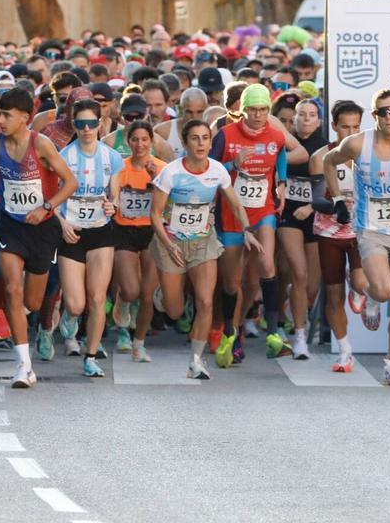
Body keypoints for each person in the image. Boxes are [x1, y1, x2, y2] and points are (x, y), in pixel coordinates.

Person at [0, 88, 78, 389]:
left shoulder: (40, 144)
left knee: (31, 300)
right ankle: (24, 366)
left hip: (42, 230)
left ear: (25, 118)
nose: (0, 120)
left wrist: (45, 207)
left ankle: (31, 322)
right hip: (10, 225)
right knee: (13, 292)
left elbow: (70, 182)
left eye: (6, 115)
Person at [323, 88, 390, 386]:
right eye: (382, 112)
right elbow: (328, 162)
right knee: (384, 291)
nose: (389, 116)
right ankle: (371, 297)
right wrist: (336, 198)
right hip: (370, 227)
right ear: (374, 116)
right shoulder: (358, 143)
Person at [152, 119, 261, 379]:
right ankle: (164, 294)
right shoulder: (171, 172)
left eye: (205, 138)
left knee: (205, 300)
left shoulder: (218, 171)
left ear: (210, 143)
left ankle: (196, 360)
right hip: (171, 242)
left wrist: (247, 230)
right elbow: (155, 215)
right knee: (175, 311)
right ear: (186, 142)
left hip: (203, 242)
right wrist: (168, 244)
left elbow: (236, 205)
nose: (201, 143)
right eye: (195, 138)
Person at [210, 83, 307, 365]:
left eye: (263, 109)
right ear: (242, 110)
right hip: (230, 213)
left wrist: (282, 183)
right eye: (252, 109)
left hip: (262, 209)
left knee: (267, 264)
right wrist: (233, 166)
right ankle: (230, 331)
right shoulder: (226, 135)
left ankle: (274, 335)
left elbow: (281, 154)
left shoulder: (275, 134)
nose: (257, 115)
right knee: (231, 282)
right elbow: (209, 168)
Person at [48, 99, 122, 377]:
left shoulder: (111, 157)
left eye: (92, 124)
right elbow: (51, 198)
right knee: (76, 304)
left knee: (97, 298)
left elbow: (115, 196)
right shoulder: (64, 156)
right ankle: (69, 315)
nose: (87, 129)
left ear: (100, 125)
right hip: (72, 231)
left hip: (101, 231)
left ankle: (91, 356)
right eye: (81, 124)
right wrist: (62, 222)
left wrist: (112, 205)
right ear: (74, 126)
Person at [308, 101, 369, 373]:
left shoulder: (368, 153)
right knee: (333, 297)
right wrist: (336, 205)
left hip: (360, 230)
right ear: (334, 126)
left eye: (356, 127)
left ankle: (366, 294)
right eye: (345, 127)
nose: (351, 132)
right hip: (329, 231)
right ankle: (345, 352)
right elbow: (317, 197)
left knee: (360, 280)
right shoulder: (321, 156)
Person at [111, 121, 166, 362]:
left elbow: (170, 204)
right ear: (128, 141)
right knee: (131, 290)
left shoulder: (162, 169)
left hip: (152, 232)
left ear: (152, 141)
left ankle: (139, 343)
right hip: (124, 231)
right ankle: (123, 302)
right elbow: (112, 196)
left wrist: (156, 180)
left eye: (145, 139)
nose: (140, 144)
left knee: (146, 294)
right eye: (135, 139)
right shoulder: (120, 169)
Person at [276, 98, 326, 359]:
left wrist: (312, 206)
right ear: (293, 120)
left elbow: (331, 191)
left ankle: (291, 304)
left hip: (315, 217)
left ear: (319, 120)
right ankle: (300, 337)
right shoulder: (285, 144)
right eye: (301, 115)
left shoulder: (326, 147)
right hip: (288, 216)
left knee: (311, 287)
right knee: (299, 273)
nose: (306, 119)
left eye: (311, 115)